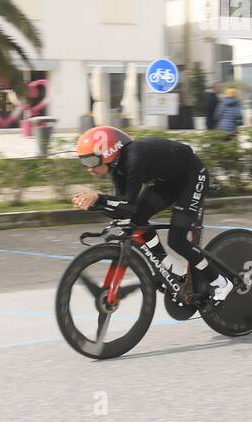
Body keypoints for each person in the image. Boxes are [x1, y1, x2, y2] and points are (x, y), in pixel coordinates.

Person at [72, 126, 233, 303]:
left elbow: (128, 203)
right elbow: (124, 209)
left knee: (177, 240)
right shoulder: (117, 167)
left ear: (109, 153)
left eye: (91, 162)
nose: (89, 168)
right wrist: (95, 204)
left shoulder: (134, 158)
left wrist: (98, 198)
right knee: (136, 219)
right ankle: (165, 262)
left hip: (192, 177)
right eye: (84, 163)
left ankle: (220, 282)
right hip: (169, 182)